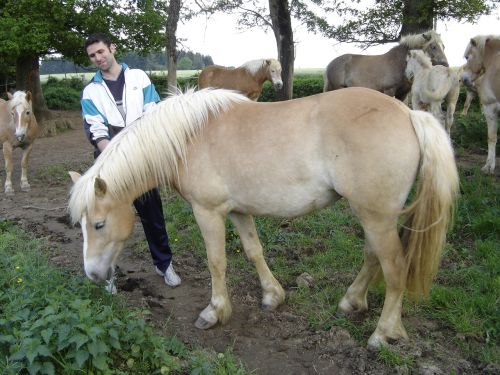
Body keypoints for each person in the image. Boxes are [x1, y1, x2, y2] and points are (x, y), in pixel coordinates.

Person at [80, 32, 181, 292]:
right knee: (106, 220)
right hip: (109, 164)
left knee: (153, 217)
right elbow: (96, 131)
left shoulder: (139, 77)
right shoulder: (90, 92)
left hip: (141, 162)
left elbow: (153, 112)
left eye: (101, 51)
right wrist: (116, 157)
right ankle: (109, 274)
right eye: (92, 56)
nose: (98, 58)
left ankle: (164, 264)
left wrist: (136, 155)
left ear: (112, 48)